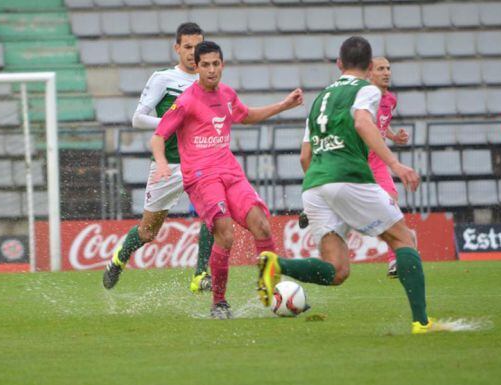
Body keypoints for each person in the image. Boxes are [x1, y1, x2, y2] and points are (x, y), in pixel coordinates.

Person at [262, 36, 439, 334]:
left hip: (315, 183)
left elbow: (305, 155)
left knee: (337, 270)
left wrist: (318, 189)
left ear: (339, 64)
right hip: (348, 176)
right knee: (403, 240)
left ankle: (276, 264)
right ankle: (422, 323)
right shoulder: (367, 89)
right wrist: (395, 164)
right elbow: (362, 123)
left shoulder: (321, 98)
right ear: (370, 67)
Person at [152, 41, 303, 318]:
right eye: (205, 65)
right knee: (226, 232)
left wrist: (283, 105)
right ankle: (219, 302)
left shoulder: (227, 94)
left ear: (222, 65)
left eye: (216, 64)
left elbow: (246, 115)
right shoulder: (186, 101)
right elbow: (159, 135)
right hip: (201, 177)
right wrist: (161, 163)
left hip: (229, 172)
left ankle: (269, 287)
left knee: (262, 226)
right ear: (196, 67)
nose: (211, 70)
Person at [103, 23, 216, 294]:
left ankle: (200, 275)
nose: (192, 53)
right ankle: (119, 258)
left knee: (214, 214)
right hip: (168, 164)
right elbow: (137, 118)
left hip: (200, 162)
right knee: (148, 232)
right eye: (187, 47)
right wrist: (172, 121)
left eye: (197, 47)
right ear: (177, 48)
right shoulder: (164, 78)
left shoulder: (209, 79)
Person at [366, 57, 409, 277]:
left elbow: (382, 124)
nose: (387, 72)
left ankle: (394, 262)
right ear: (369, 73)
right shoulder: (362, 97)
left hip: (377, 161)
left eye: (389, 68)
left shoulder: (390, 100)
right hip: (358, 158)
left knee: (391, 201)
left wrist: (394, 136)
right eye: (381, 69)